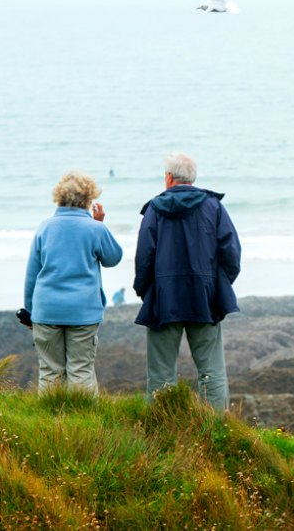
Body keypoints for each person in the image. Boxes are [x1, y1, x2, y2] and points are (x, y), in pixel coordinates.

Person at [133, 152, 241, 411]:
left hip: (164, 296)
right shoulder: (213, 206)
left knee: (161, 373)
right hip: (205, 296)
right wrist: (221, 285)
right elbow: (232, 253)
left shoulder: (155, 209)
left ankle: (160, 428)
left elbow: (144, 256)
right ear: (192, 178)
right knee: (211, 370)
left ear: (169, 177)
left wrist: (143, 290)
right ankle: (216, 428)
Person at [24, 171, 123, 395]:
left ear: (58, 197)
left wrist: (30, 311)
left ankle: (50, 425)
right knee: (81, 371)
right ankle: (83, 423)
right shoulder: (95, 229)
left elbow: (32, 274)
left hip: (46, 309)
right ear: (89, 199)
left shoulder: (45, 227)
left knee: (50, 372)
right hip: (83, 312)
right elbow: (113, 258)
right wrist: (100, 225)